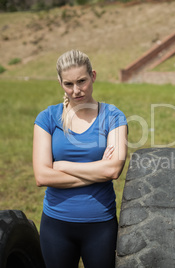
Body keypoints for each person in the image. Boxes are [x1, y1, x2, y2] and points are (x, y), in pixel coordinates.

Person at [33, 50, 128, 268]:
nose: (76, 90)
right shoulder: (47, 117)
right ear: (60, 82)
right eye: (68, 84)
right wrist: (97, 173)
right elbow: (41, 175)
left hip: (100, 225)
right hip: (55, 225)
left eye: (82, 81)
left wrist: (62, 166)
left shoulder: (113, 116)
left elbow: (113, 171)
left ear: (93, 76)